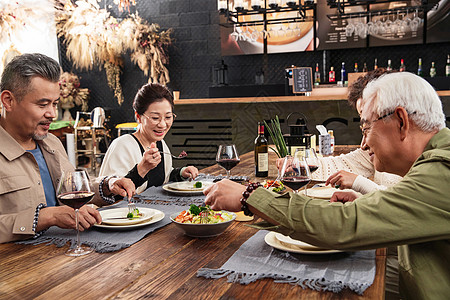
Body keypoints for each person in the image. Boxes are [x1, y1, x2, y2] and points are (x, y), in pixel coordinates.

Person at [205, 72, 450, 299]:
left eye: (366, 126)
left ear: (401, 121)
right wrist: (372, 206)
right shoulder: (433, 165)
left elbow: (345, 226)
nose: (363, 143)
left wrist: (250, 196)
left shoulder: (442, 171)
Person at [0, 53, 135, 244]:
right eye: (43, 104)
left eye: (55, 103)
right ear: (8, 100)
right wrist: (46, 218)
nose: (52, 114)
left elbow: (74, 190)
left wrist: (108, 186)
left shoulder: (52, 143)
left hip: (64, 254)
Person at [99, 83, 198, 194]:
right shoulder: (122, 146)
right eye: (155, 118)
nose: (162, 125)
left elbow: (163, 177)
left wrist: (181, 173)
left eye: (168, 117)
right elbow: (114, 194)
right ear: (138, 117)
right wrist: (142, 168)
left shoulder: (160, 144)